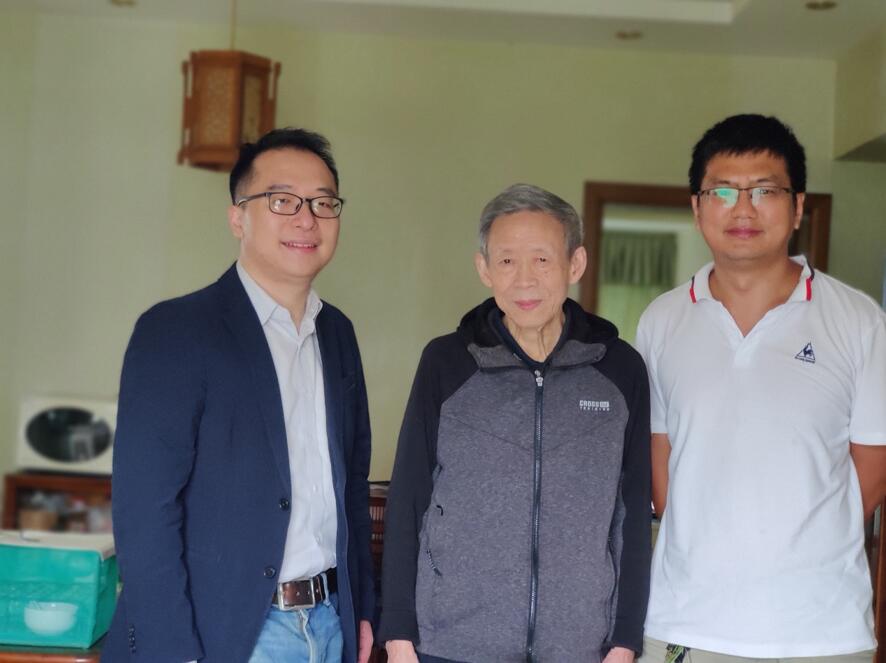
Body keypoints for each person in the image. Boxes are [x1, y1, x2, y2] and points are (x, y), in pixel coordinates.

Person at [103, 128, 374, 663]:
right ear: (237, 218)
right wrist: (172, 653)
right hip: (224, 635)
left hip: (328, 624)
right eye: (282, 200)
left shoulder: (337, 333)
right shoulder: (175, 331)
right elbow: (144, 512)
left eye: (323, 203)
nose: (306, 219)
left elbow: (352, 489)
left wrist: (362, 608)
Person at [635, 114, 886, 663]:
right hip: (686, 622)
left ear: (797, 207)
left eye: (765, 191)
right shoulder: (662, 320)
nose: (743, 209)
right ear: (697, 208)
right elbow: (661, 453)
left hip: (821, 632)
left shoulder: (859, 320)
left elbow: (873, 464)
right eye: (722, 191)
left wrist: (803, 540)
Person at [378, 183, 651, 663]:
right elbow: (409, 497)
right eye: (506, 261)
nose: (524, 279)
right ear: (484, 269)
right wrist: (398, 632)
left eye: (542, 259)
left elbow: (631, 511)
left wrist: (625, 640)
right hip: (452, 646)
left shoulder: (618, 370)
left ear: (575, 264)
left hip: (580, 648)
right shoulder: (447, 363)